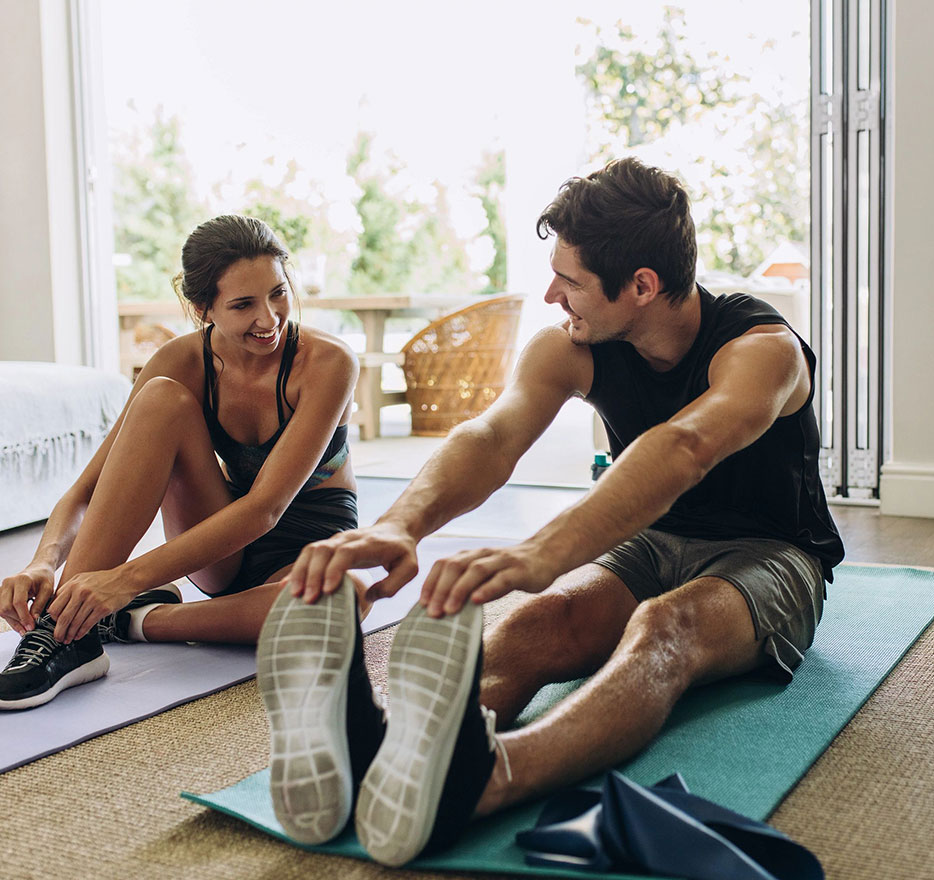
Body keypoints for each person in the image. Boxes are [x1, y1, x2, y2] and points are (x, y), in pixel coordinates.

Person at [253, 157, 845, 862]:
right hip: (654, 540)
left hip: (773, 554)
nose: (549, 293)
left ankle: (487, 780)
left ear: (642, 287)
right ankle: (380, 750)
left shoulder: (764, 351)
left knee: (664, 628)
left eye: (570, 280)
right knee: (543, 620)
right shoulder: (577, 345)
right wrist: (398, 525)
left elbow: (686, 446)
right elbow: (493, 435)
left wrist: (541, 553)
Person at [0, 215, 361, 710]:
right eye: (243, 305)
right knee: (160, 400)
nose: (270, 318)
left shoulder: (328, 363)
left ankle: (122, 620)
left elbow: (265, 510)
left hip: (308, 542)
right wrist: (43, 561)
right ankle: (64, 634)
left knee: (336, 604)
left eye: (278, 293)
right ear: (202, 309)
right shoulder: (181, 361)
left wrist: (122, 584)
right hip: (221, 543)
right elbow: (86, 489)